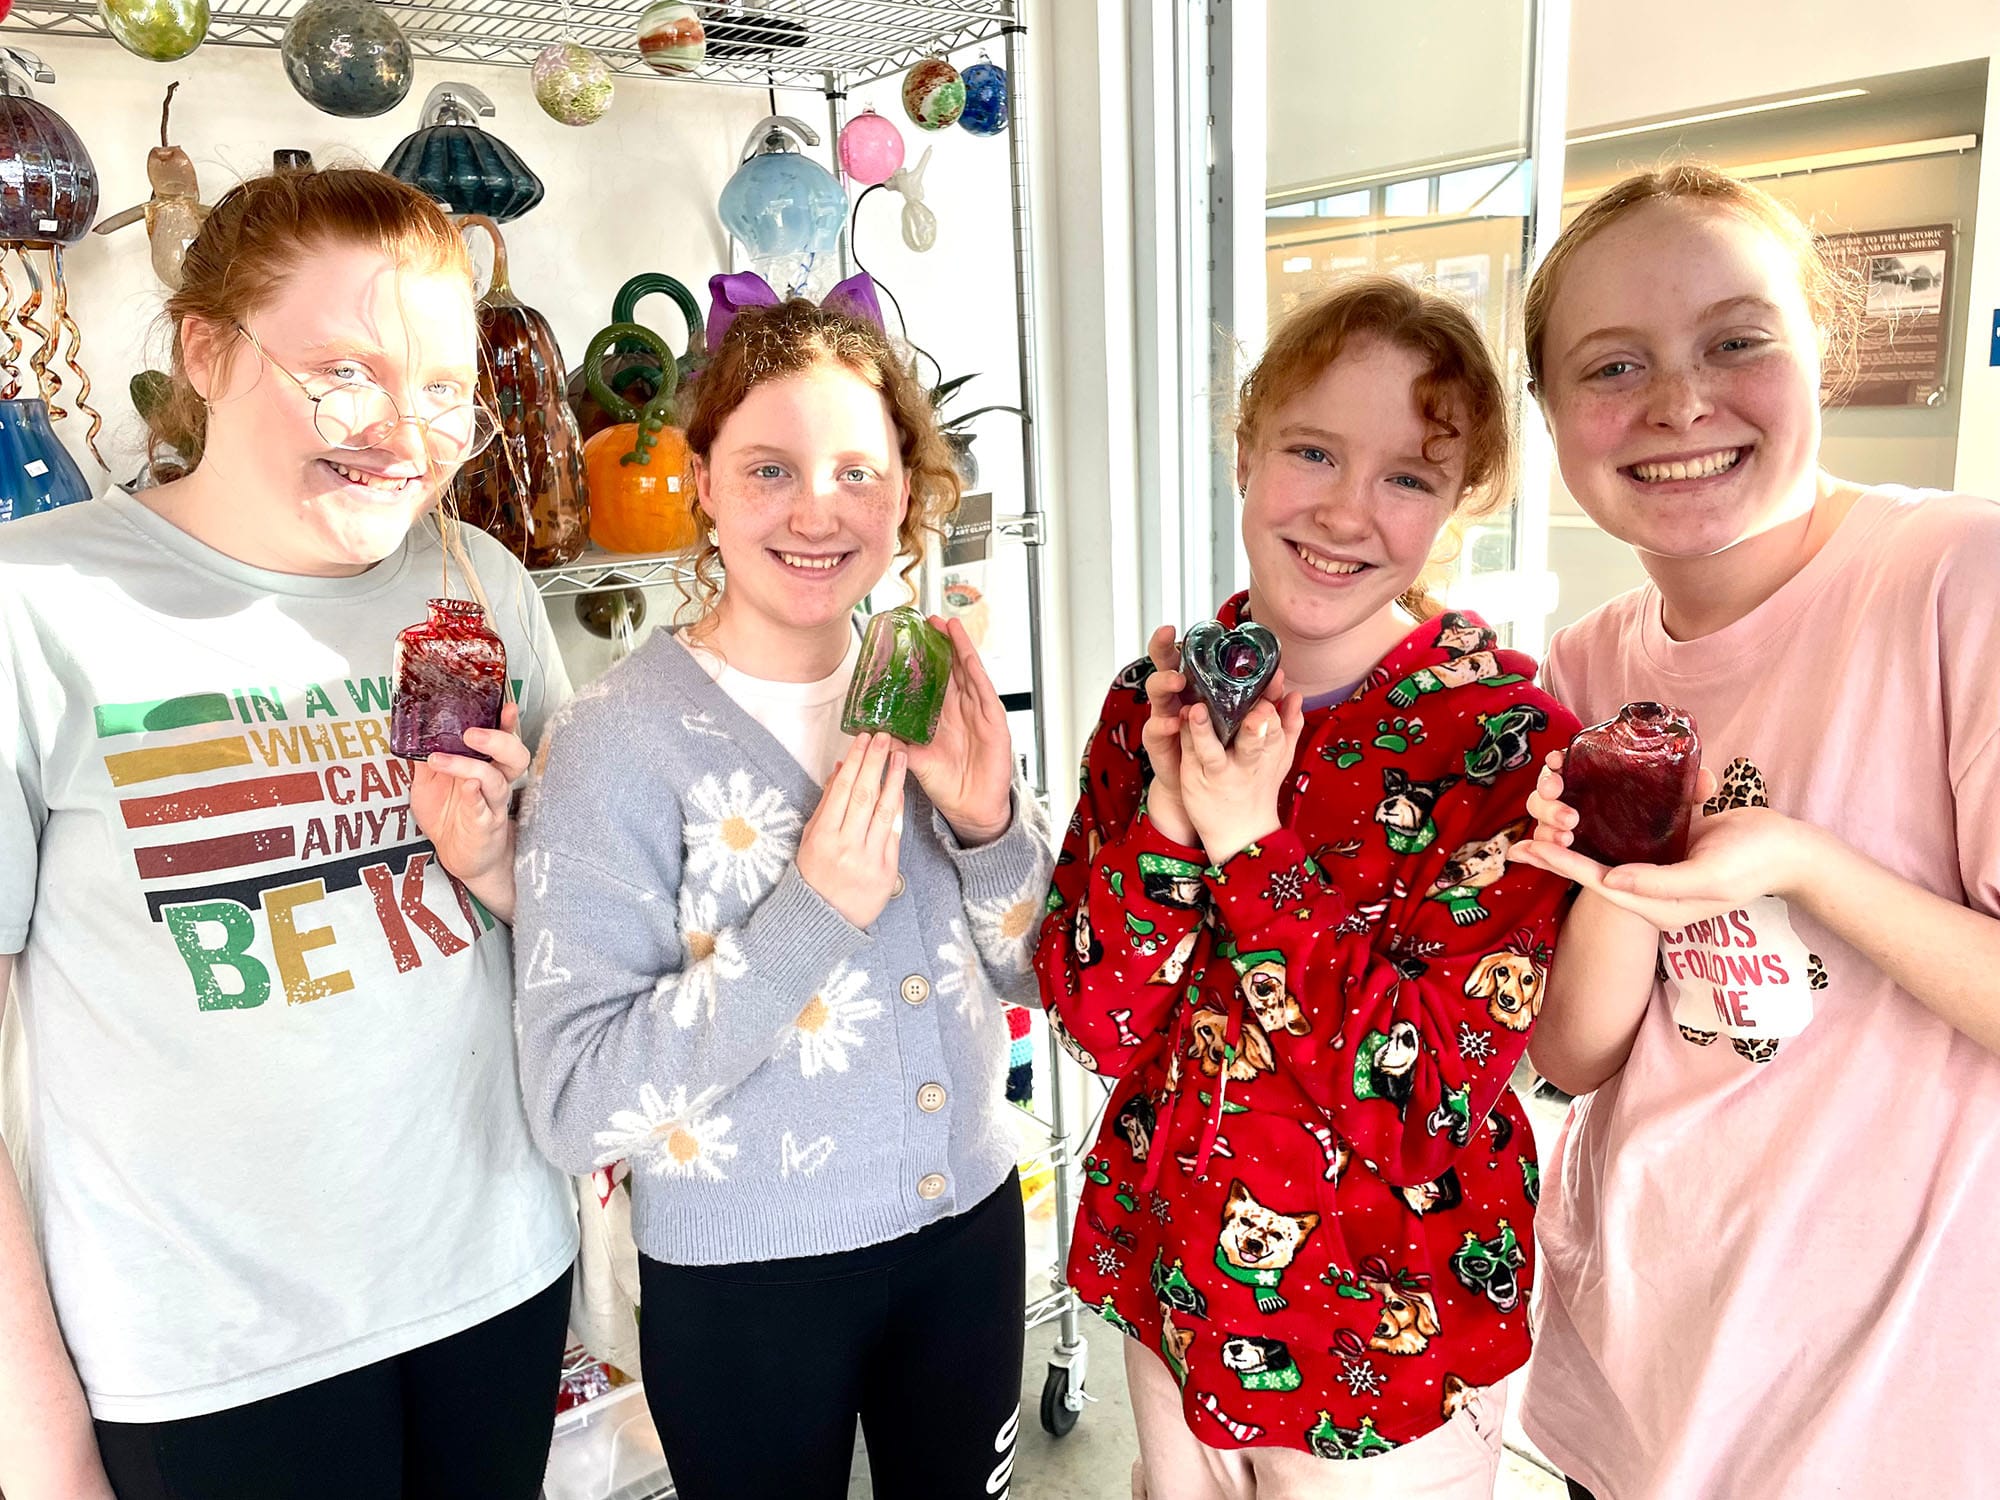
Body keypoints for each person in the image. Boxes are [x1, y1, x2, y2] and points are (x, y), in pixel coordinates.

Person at [0, 168, 577, 1500]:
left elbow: (575, 943)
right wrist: (37, 1449)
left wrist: (498, 869)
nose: (404, 434)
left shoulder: (473, 583)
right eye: (344, 371)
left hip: (494, 1282)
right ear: (205, 350)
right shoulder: (39, 607)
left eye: (442, 388)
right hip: (206, 1357)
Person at [1035, 274, 1577, 1498]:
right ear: (1243, 454)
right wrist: (1171, 820)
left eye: (1405, 477)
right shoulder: (1153, 702)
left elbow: (1425, 1101)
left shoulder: (1503, 747)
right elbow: (1094, 1020)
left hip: (1382, 1342)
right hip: (1175, 1294)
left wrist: (1246, 847)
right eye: (1311, 451)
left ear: (1455, 507)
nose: (1343, 511)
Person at [1508, 164, 2000, 1500]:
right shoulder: (1585, 665)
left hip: (1886, 1418)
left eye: (1737, 340)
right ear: (1550, 416)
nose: (1678, 403)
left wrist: (1802, 862)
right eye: (1611, 367)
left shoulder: (1957, 581)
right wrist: (1619, 885)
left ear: (1818, 352)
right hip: (1640, 1374)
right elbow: (1574, 1056)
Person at [511, 293, 1054, 1500]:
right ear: (701, 480)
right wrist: (808, 914)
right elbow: (573, 1103)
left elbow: (1038, 973)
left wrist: (986, 823)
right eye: (769, 468)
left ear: (907, 492)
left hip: (966, 1228)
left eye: (858, 471)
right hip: (745, 1284)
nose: (819, 510)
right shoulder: (613, 742)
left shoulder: (924, 685)